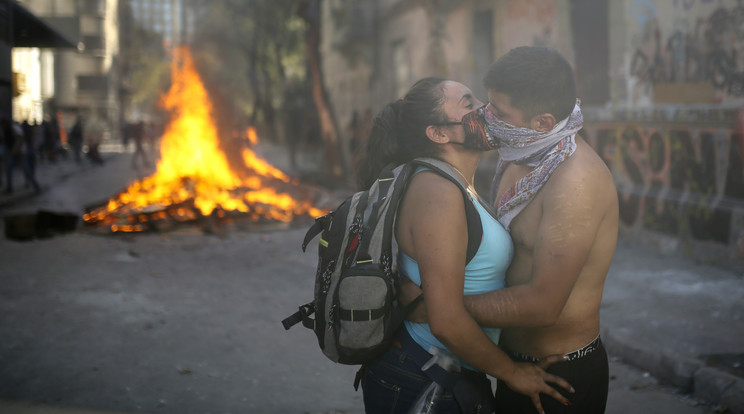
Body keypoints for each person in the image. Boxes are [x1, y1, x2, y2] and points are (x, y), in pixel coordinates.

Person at [357, 77, 573, 414]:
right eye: (469, 104)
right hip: (423, 376)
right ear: (439, 133)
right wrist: (513, 373)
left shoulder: (455, 184)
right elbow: (445, 320)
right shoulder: (437, 192)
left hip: (445, 373)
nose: (485, 110)